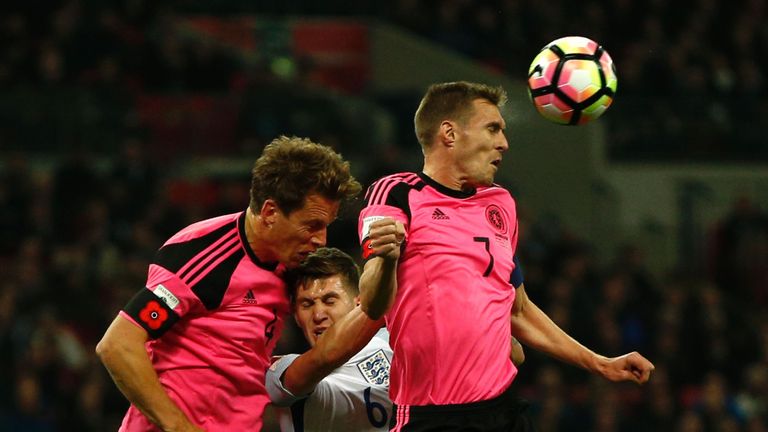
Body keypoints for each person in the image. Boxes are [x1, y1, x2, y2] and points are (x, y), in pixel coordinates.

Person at [357, 81, 655, 431]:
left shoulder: (500, 203)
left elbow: (519, 308)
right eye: (493, 128)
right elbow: (372, 302)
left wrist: (599, 363)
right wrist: (387, 258)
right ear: (449, 133)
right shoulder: (397, 192)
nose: (504, 143)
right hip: (432, 416)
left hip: (503, 411)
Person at [95, 136, 362, 432]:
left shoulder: (292, 265)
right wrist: (180, 428)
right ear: (271, 212)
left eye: (326, 226)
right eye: (311, 225)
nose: (321, 239)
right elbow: (118, 345)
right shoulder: (201, 253)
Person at [266, 247, 527, 432]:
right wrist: (388, 296)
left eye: (329, 300)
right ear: (296, 316)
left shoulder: (398, 338)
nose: (319, 314)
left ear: (358, 301)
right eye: (307, 304)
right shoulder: (284, 372)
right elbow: (326, 357)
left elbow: (513, 353)